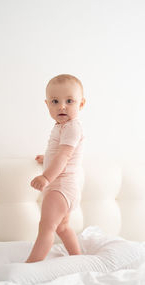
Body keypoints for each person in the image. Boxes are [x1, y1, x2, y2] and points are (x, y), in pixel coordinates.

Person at [25, 74, 86, 263]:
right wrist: (46, 159)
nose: (62, 106)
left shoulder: (72, 127)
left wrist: (45, 177)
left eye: (69, 101)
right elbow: (60, 153)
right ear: (47, 105)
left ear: (81, 104)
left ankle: (31, 266)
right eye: (55, 101)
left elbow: (64, 156)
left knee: (46, 227)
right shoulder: (62, 126)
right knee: (63, 227)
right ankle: (78, 259)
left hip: (60, 187)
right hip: (66, 187)